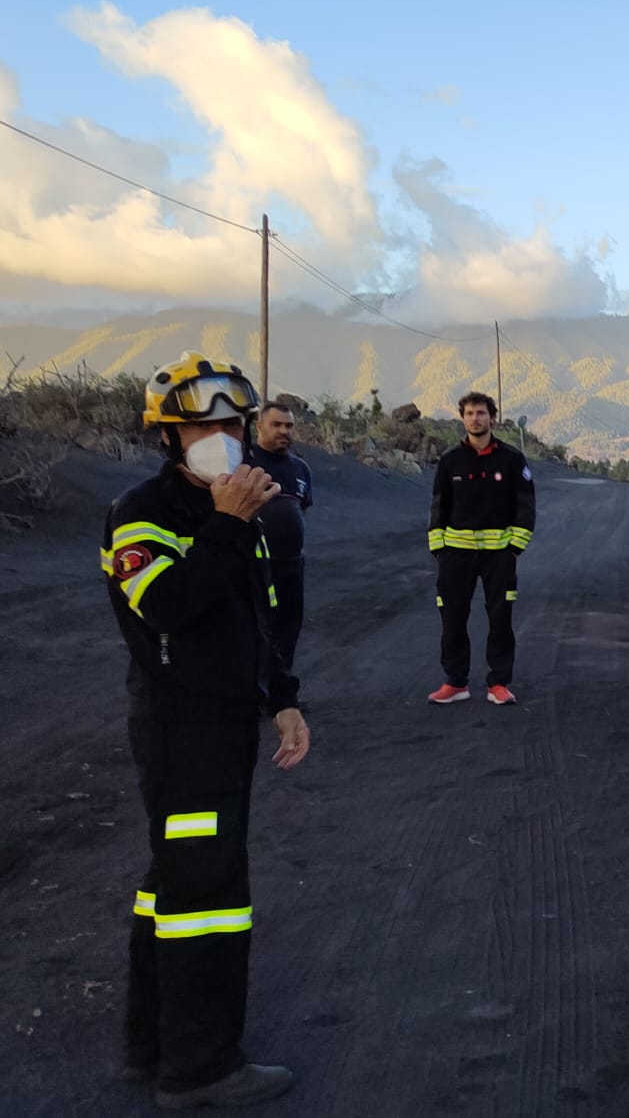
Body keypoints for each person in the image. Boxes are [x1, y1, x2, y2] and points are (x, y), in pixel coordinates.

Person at [104, 352, 311, 1109]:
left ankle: (150, 1043)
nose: (220, 436)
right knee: (209, 895)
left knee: (173, 883)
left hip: (228, 720)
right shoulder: (140, 513)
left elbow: (254, 615)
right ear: (168, 436)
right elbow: (169, 607)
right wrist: (227, 522)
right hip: (180, 728)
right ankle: (199, 1068)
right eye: (202, 425)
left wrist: (281, 696)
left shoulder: (238, 506)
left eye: (231, 423)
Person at [427, 390, 535, 705]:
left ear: (493, 417)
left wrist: (514, 547)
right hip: (455, 558)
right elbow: (438, 506)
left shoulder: (512, 459)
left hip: (499, 558)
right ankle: (455, 683)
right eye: (470, 413)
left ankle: (498, 683)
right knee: (452, 619)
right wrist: (439, 549)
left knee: (500, 618)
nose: (476, 418)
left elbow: (525, 506)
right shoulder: (450, 461)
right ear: (463, 419)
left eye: (481, 413)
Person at [245, 401, 312, 677]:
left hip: (292, 565)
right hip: (254, 565)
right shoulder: (244, 463)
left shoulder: (300, 468)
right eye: (276, 424)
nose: (284, 431)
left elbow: (302, 508)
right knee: (256, 627)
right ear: (259, 426)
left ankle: (281, 692)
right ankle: (252, 690)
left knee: (288, 627)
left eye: (289, 426)